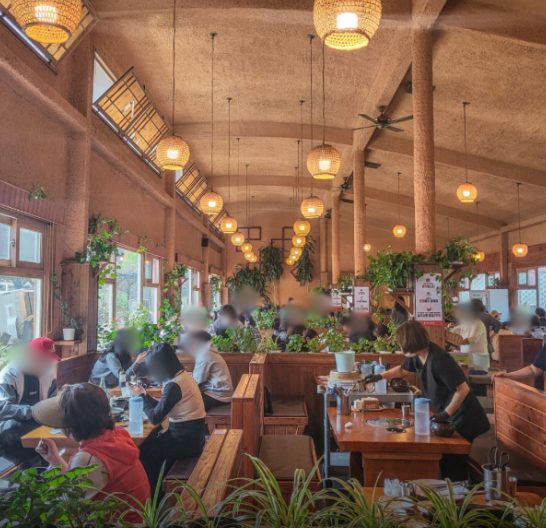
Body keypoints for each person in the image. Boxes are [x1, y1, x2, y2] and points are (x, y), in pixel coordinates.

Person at [364, 321, 490, 481]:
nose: (400, 347)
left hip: (465, 417)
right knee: (447, 460)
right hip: (450, 416)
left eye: (401, 343)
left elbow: (463, 389)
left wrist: (446, 414)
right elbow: (402, 370)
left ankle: (460, 493)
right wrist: (379, 376)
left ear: (411, 342)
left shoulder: (439, 359)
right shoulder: (418, 355)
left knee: (453, 462)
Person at [34, 383, 150, 522]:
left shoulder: (89, 457)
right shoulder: (117, 435)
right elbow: (78, 482)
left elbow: (68, 511)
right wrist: (54, 459)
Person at [130, 343, 206, 493]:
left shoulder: (174, 385)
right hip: (192, 436)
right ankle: (154, 493)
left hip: (186, 442)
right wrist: (144, 395)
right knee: (148, 443)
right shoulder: (181, 376)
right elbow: (161, 409)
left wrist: (141, 398)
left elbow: (155, 417)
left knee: (144, 452)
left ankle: (154, 497)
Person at [0, 338, 59, 460]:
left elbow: (53, 403)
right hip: (9, 427)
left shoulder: (49, 377)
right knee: (14, 426)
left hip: (38, 422)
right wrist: (35, 411)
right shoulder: (8, 375)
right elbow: (4, 409)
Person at [182, 331, 233, 411]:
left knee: (186, 402)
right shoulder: (209, 351)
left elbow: (198, 379)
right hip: (221, 392)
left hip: (217, 395)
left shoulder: (204, 354)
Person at [451, 303, 489, 371]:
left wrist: (457, 343)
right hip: (468, 358)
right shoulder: (465, 324)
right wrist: (450, 327)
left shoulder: (478, 323)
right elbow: (454, 330)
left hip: (478, 360)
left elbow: (473, 339)